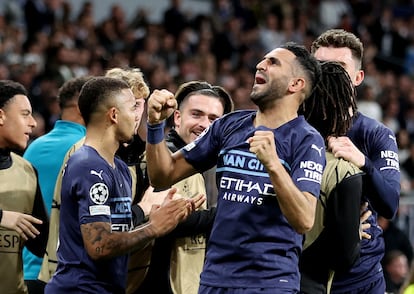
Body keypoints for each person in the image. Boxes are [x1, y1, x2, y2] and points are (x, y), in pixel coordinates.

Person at [145, 42, 325, 293]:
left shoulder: (307, 140)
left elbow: (304, 219)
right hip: (215, 278)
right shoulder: (229, 125)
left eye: (273, 63)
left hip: (270, 282)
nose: (260, 65)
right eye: (263, 60)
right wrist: (154, 127)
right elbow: (162, 176)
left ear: (295, 84)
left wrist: (273, 164)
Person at [44, 76, 203, 293]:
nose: (137, 117)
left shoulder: (118, 168)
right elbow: (99, 245)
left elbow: (117, 229)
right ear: (114, 115)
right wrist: (153, 228)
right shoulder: (88, 166)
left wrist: (161, 213)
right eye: (132, 108)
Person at [311, 28, 401, 293]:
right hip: (305, 269)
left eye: (338, 66)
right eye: (321, 66)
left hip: (360, 276)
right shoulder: (295, 128)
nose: (328, 73)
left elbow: (390, 203)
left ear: (358, 77)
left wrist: (362, 161)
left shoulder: (375, 134)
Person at [134, 81, 233, 294]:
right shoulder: (160, 157)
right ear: (177, 118)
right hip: (157, 281)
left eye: (214, 119)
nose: (204, 124)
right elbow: (164, 217)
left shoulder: (216, 162)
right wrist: (231, 212)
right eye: (196, 114)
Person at [299, 61, 365, 293]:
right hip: (307, 284)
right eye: (348, 103)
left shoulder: (270, 150)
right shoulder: (342, 171)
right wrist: (353, 231)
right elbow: (344, 257)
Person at [22, 75, 91, 293]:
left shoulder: (33, 147)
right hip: (66, 273)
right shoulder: (88, 150)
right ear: (83, 107)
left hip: (27, 269)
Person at [0, 79, 49, 294]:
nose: (33, 123)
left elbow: (39, 245)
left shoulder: (27, 171)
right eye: (24, 114)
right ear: (1, 116)